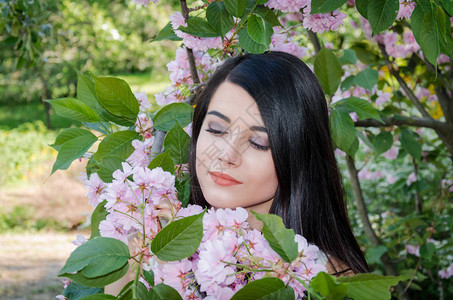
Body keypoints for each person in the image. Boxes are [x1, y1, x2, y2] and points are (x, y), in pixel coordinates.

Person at [188, 51, 369, 275]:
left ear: (297, 156)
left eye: (258, 143)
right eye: (216, 129)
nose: (226, 155)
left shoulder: (321, 280)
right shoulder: (150, 244)